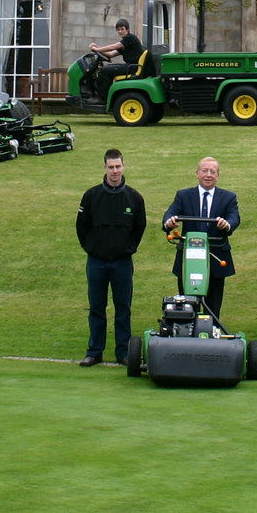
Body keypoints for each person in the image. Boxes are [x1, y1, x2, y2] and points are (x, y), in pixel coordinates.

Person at [75, 148, 146, 366]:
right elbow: (81, 227)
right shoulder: (91, 196)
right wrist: (92, 249)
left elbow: (139, 228)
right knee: (96, 306)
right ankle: (94, 351)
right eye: (111, 167)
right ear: (104, 167)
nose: (115, 171)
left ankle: (123, 352)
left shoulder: (134, 198)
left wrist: (127, 249)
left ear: (124, 166)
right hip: (96, 262)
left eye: (118, 166)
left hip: (122, 262)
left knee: (122, 307)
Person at [161, 157, 239, 319]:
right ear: (197, 173)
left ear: (218, 176)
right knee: (188, 304)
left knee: (213, 307)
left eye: (213, 171)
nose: (208, 175)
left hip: (216, 257)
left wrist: (227, 224)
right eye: (205, 171)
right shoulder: (183, 196)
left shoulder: (228, 197)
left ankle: (212, 333)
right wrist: (169, 222)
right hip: (189, 259)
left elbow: (234, 218)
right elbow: (170, 214)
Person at [88, 17, 146, 94]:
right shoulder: (124, 44)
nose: (120, 31)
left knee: (104, 71)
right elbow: (110, 54)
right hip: (132, 66)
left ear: (127, 29)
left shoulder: (130, 38)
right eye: (118, 29)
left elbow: (112, 47)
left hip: (134, 67)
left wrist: (97, 49)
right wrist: (98, 48)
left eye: (122, 29)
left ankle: (102, 97)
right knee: (106, 68)